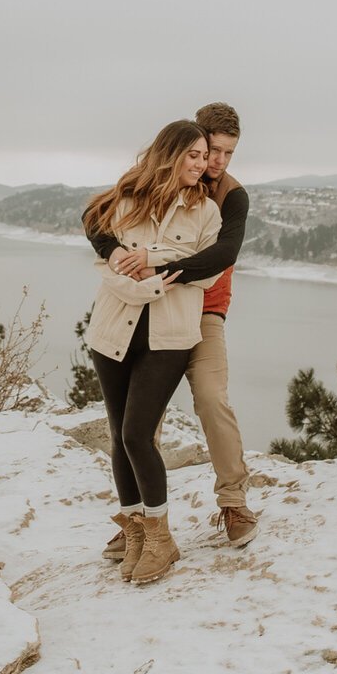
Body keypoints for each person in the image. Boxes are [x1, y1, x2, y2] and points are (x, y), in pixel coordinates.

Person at [88, 101, 258, 551]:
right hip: (147, 309)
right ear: (190, 143)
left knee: (210, 397)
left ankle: (233, 502)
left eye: (226, 154)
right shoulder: (152, 180)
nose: (215, 162)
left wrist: (155, 261)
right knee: (139, 424)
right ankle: (140, 519)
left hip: (204, 310)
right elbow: (96, 219)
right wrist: (114, 256)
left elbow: (223, 257)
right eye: (209, 150)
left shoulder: (231, 196)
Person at [81, 120, 222, 586]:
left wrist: (151, 264)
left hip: (169, 339)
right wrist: (142, 282)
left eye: (206, 157)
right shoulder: (126, 201)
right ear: (170, 153)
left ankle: (162, 536)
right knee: (121, 434)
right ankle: (135, 530)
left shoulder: (206, 213)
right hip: (113, 334)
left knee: (140, 432)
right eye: (194, 155)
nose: (202, 165)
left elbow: (204, 274)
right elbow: (108, 266)